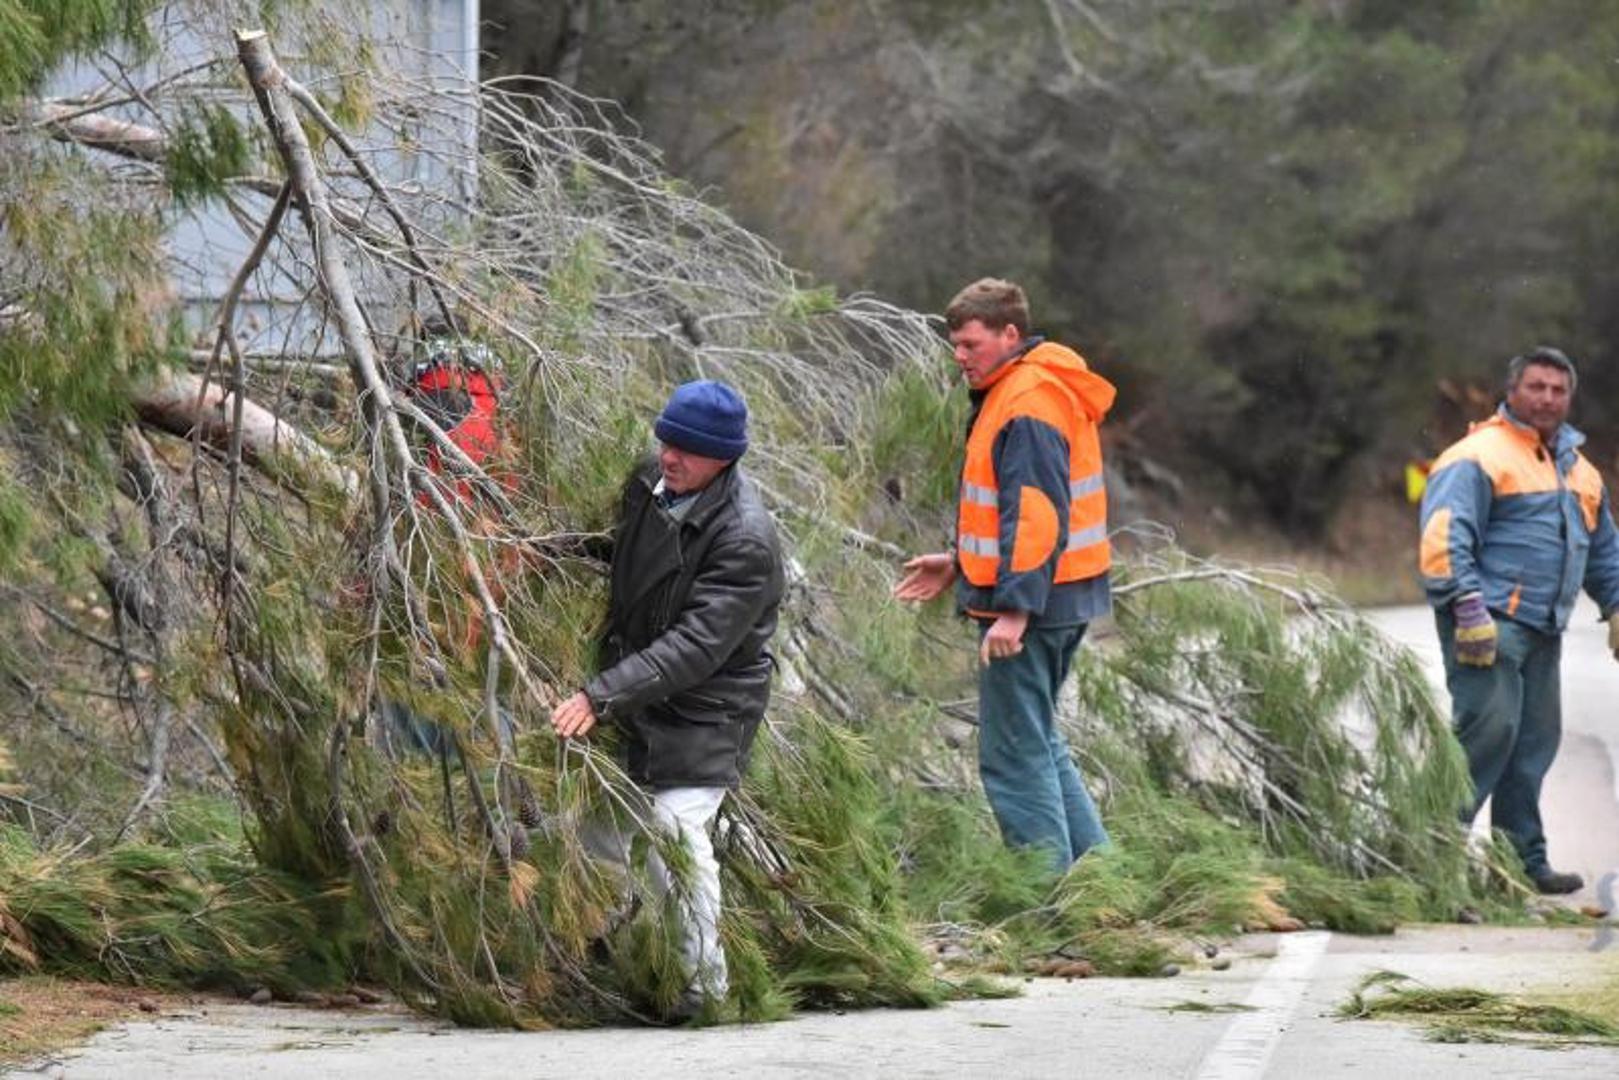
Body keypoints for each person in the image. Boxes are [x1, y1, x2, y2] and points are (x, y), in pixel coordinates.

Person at [550, 379, 785, 1018]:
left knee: (674, 829)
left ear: (724, 459)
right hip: (639, 694)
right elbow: (626, 550)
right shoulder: (650, 480)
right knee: (596, 832)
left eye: (687, 449)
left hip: (708, 711)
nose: (669, 457)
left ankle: (703, 988)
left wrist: (599, 696)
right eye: (666, 441)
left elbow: (695, 647)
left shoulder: (746, 539)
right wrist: (553, 553)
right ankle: (635, 961)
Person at [894, 278, 1115, 874]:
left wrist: (1015, 610)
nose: (959, 356)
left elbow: (1038, 515)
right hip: (1060, 595)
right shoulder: (1025, 388)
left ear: (1010, 334)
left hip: (1035, 606)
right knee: (1037, 741)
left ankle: (1047, 906)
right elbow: (1012, 513)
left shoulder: (1027, 401)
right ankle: (1099, 890)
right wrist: (960, 563)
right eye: (955, 345)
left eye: (971, 344)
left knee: (1014, 756)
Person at [1418, 346, 1619, 895]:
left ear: (1569, 397)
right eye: (1536, 387)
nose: (1547, 398)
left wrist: (1615, 604)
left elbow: (1603, 551)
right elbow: (1444, 536)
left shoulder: (1580, 471)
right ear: (1511, 392)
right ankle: (1427, 860)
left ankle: (1519, 864)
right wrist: (1466, 606)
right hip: (1487, 624)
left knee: (1532, 746)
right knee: (1486, 737)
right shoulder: (1477, 456)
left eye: (1558, 389)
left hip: (1543, 630)